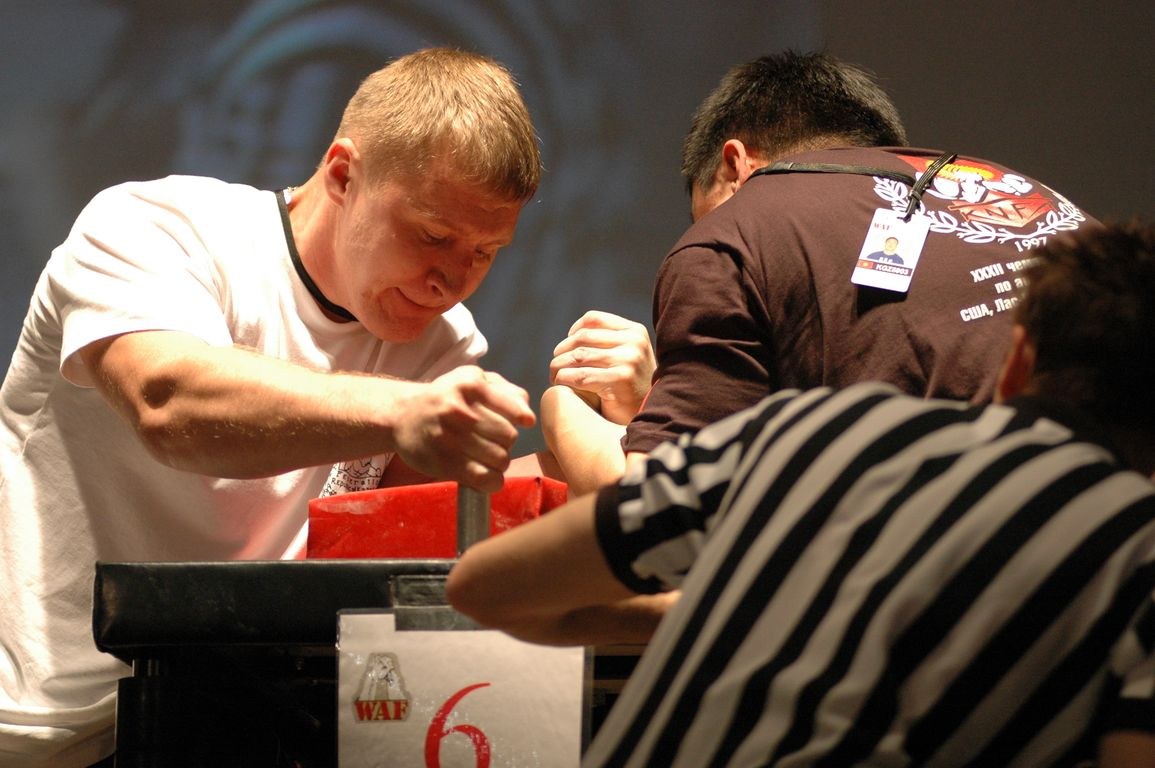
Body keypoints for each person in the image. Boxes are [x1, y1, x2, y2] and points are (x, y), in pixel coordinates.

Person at [0, 47, 540, 767]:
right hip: (30, 719)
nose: (452, 278)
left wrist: (587, 430)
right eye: (432, 235)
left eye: (486, 250)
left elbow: (396, 557)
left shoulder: (442, 348)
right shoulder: (153, 226)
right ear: (343, 172)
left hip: (233, 725)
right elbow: (170, 403)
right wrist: (402, 411)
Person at [448, 220, 1155, 767]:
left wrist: (737, 606)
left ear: (1019, 358)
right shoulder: (1138, 562)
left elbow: (483, 587)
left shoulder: (814, 423)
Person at [543, 51, 1099, 495]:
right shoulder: (1022, 188)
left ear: (737, 165)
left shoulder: (732, 234)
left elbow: (658, 512)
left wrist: (560, 409)